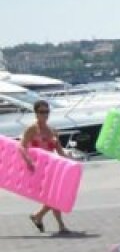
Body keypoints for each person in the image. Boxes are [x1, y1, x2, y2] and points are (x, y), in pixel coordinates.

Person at [20, 99, 70, 234]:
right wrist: (28, 161)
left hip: (51, 168)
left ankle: (38, 216)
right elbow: (21, 146)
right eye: (42, 112)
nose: (45, 115)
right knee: (53, 197)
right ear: (36, 113)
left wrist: (69, 163)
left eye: (47, 112)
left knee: (53, 197)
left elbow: (59, 151)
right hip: (38, 169)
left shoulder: (52, 130)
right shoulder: (32, 129)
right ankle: (60, 225)